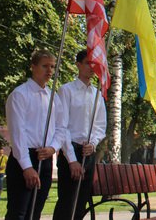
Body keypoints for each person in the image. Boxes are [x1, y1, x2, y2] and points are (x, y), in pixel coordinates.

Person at [5, 49, 66, 220]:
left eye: (52, 67)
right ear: (33, 67)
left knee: (36, 210)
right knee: (19, 211)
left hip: (45, 156)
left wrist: (53, 148)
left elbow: (61, 128)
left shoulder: (53, 97)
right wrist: (26, 166)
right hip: (24, 157)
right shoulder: (20, 95)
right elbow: (18, 133)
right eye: (45, 66)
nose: (49, 71)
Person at [53, 49, 107, 220]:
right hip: (71, 151)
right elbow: (62, 126)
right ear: (78, 65)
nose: (91, 67)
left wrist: (94, 143)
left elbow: (100, 125)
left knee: (81, 200)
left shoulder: (97, 94)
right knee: (67, 201)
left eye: (94, 64)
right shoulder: (66, 90)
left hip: (88, 152)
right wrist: (72, 159)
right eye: (87, 63)